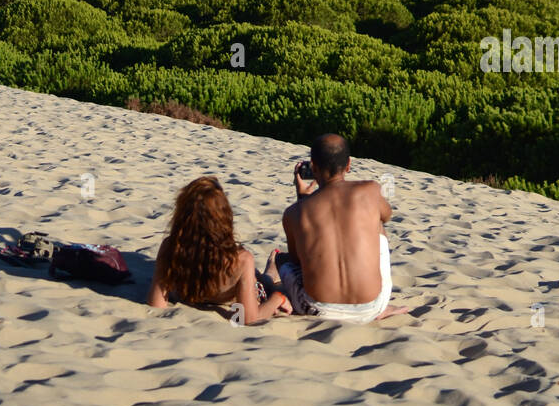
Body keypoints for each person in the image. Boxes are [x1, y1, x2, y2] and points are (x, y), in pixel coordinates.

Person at [272, 133, 408, 324]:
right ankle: (381, 306)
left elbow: (297, 261)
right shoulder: (370, 190)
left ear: (314, 166)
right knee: (376, 222)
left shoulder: (294, 212)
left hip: (315, 310)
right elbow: (387, 216)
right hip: (373, 305)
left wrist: (303, 199)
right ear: (349, 165)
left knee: (281, 259)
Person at [147, 175, 293, 323]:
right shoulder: (240, 260)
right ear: (224, 217)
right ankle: (272, 267)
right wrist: (277, 299)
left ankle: (272, 267)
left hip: (192, 293)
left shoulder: (171, 247)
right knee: (266, 284)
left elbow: (156, 304)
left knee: (260, 277)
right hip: (234, 293)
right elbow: (246, 318)